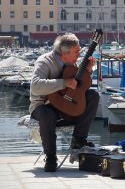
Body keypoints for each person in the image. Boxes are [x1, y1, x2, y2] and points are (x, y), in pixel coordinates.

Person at [29, 33, 99, 172]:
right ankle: (50, 156)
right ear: (64, 53)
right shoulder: (45, 61)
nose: (79, 55)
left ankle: (78, 141)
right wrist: (64, 83)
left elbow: (78, 88)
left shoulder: (71, 63)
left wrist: (88, 70)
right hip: (43, 105)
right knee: (46, 114)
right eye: (77, 51)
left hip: (67, 106)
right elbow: (35, 86)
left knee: (93, 96)